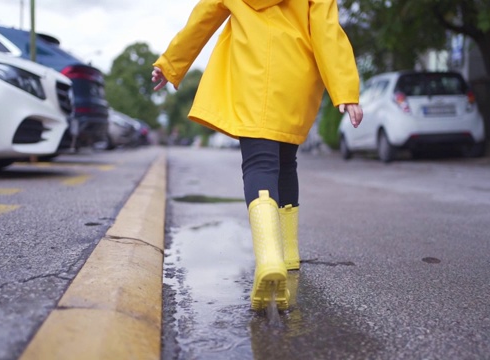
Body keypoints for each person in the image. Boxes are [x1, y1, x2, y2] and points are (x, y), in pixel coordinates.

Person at [152, 0, 363, 312]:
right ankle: (289, 254)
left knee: (259, 164)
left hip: (251, 74)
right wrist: (345, 90)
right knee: (286, 163)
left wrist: (171, 63)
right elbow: (326, 30)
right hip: (295, 77)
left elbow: (204, 17)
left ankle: (269, 258)